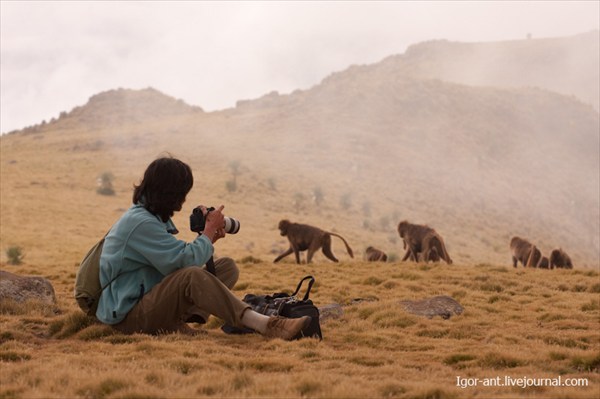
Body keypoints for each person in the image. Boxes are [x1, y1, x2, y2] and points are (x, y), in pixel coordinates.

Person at [96, 155, 310, 340]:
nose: (182, 200)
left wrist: (209, 238)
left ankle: (174, 324)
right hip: (127, 317)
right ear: (170, 193)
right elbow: (183, 263)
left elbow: (176, 260)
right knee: (192, 276)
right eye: (182, 193)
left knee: (226, 267)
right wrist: (207, 233)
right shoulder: (141, 223)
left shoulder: (148, 217)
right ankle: (267, 325)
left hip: (142, 301)